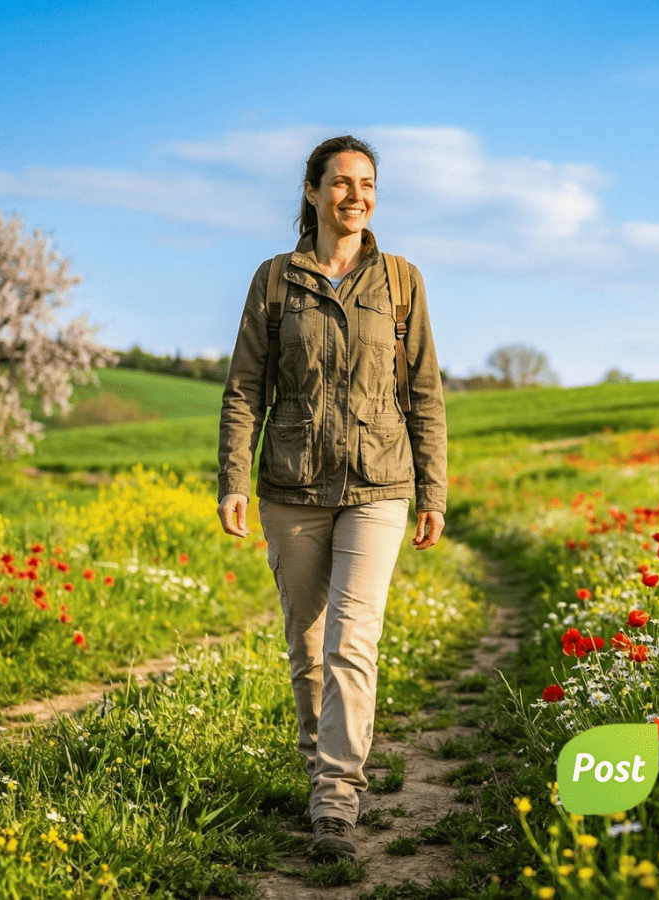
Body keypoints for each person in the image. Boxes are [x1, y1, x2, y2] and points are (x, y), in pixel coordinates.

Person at [216, 135, 447, 861]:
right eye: (342, 182)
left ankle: (336, 799)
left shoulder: (401, 281)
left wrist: (433, 489)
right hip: (292, 484)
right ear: (312, 192)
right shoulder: (274, 281)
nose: (356, 195)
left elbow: (424, 393)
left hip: (379, 483)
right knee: (308, 647)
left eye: (367, 183)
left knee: (353, 641)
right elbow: (245, 388)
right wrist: (233, 479)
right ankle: (319, 763)